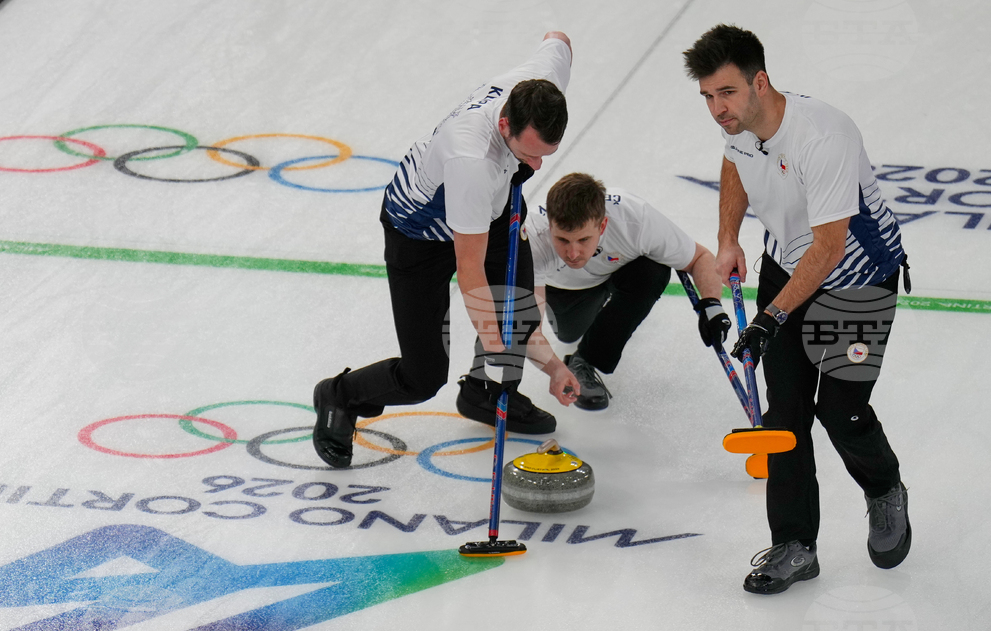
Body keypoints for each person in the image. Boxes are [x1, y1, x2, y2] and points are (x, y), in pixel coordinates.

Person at [683, 24, 912, 594]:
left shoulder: (822, 137)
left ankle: (884, 488)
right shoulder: (739, 126)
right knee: (784, 415)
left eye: (727, 93)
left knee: (840, 408)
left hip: (856, 283)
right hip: (786, 265)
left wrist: (768, 319)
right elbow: (735, 163)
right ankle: (794, 544)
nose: (717, 109)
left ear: (760, 82)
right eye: (708, 96)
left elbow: (830, 249)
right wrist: (729, 237)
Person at [313, 32, 580, 469]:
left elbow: (559, 40)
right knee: (423, 376)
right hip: (418, 234)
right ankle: (339, 394)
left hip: (490, 210)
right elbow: (469, 267)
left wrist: (545, 365)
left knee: (517, 311)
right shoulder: (472, 160)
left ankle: (482, 394)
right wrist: (494, 340)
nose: (536, 167)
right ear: (503, 124)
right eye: (528, 154)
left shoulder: (538, 86)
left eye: (545, 155)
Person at [515, 172, 730, 410]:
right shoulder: (532, 238)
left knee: (654, 271)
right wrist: (555, 369)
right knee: (568, 334)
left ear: (603, 224)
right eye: (563, 240)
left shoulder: (635, 219)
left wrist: (711, 305)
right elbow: (527, 328)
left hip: (616, 272)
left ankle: (586, 360)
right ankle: (592, 309)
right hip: (564, 288)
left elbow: (700, 257)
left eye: (584, 239)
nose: (573, 253)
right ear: (550, 226)